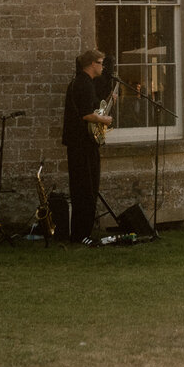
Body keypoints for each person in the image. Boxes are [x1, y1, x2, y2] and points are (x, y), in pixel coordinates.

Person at [62, 48, 114, 242]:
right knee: (84, 189)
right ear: (93, 64)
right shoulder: (83, 84)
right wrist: (105, 120)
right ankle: (80, 234)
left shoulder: (87, 83)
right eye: (101, 63)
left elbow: (92, 109)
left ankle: (83, 232)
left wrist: (109, 102)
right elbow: (86, 114)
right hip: (80, 144)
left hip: (85, 142)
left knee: (88, 187)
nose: (103, 67)